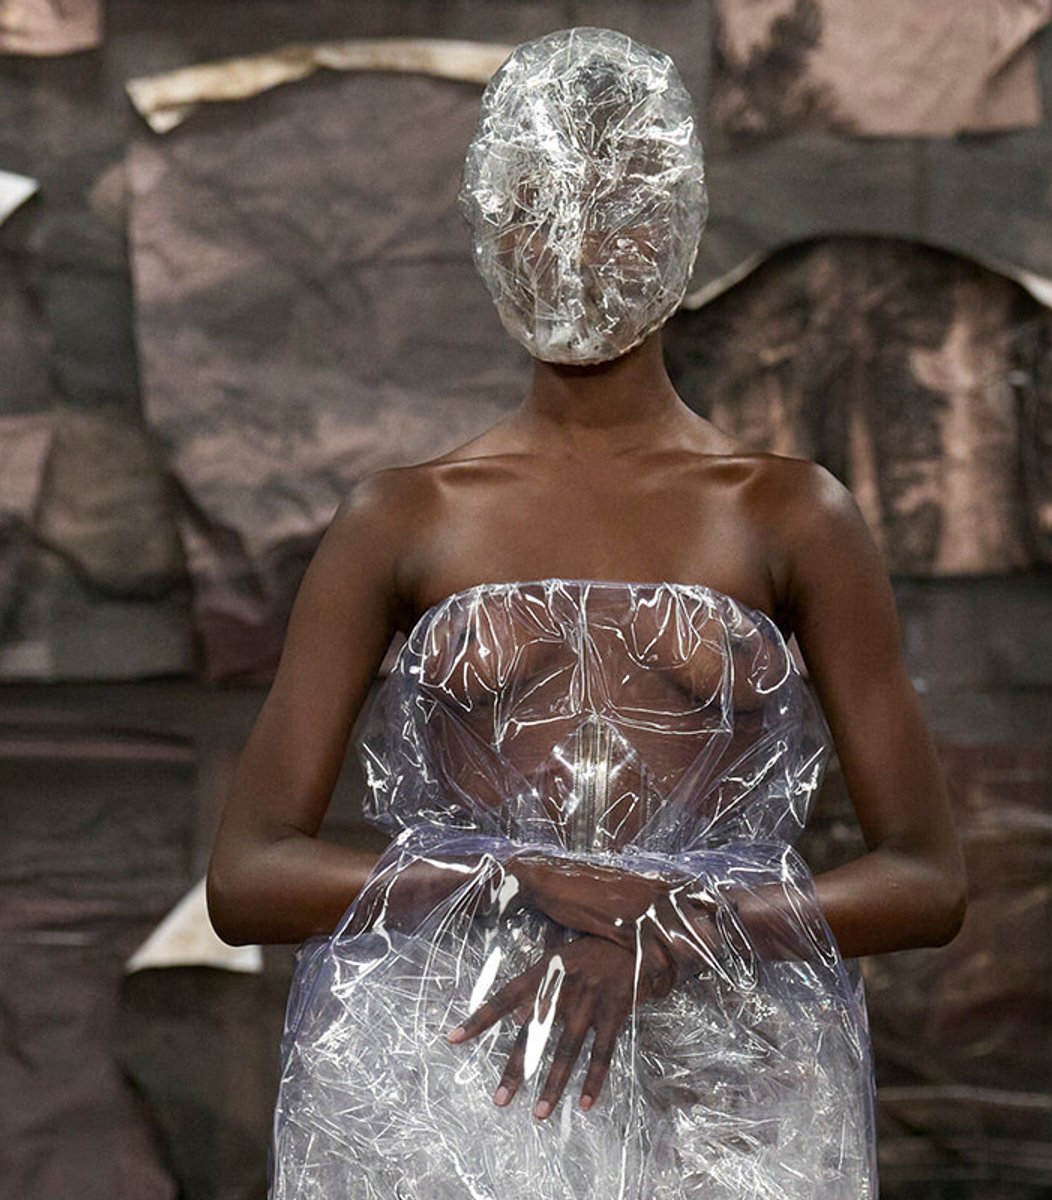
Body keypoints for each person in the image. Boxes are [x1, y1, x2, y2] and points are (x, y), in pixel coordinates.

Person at [207, 26, 966, 1199]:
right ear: (487, 227)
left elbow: (928, 879)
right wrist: (503, 883)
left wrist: (681, 930)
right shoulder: (404, 517)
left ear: (678, 226)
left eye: (616, 206)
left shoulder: (787, 513)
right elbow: (248, 876)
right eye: (534, 203)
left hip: (728, 1097)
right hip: (443, 1086)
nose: (572, 239)